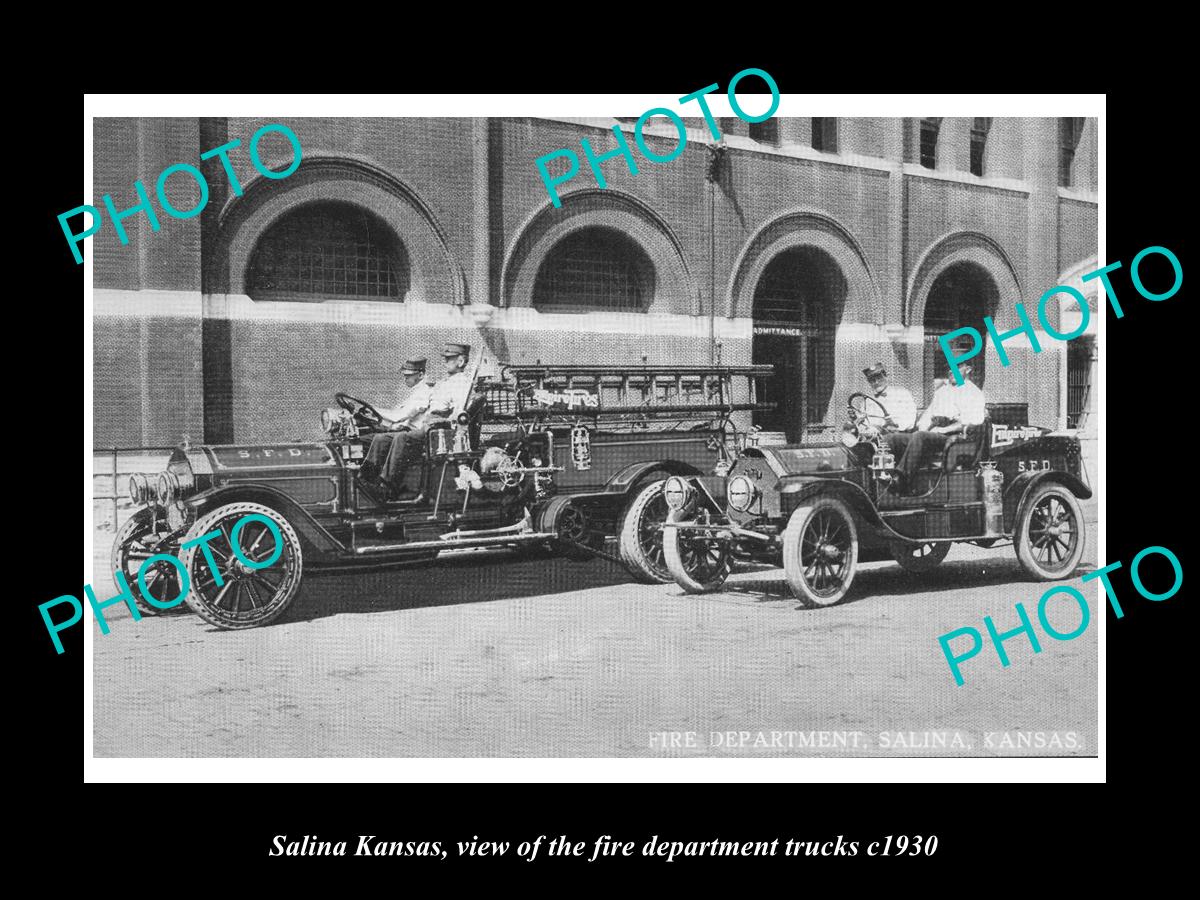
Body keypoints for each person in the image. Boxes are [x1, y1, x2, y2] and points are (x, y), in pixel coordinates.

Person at [370, 343, 474, 499]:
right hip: (429, 427)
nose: (445, 362)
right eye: (445, 359)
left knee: (402, 438)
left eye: (449, 359)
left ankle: (388, 486)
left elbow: (459, 414)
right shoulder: (446, 382)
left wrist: (437, 421)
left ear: (460, 361)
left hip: (439, 432)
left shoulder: (462, 383)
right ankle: (368, 479)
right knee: (381, 438)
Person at [895, 349, 988, 492]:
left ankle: (901, 480)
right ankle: (880, 477)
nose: (951, 370)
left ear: (968, 369)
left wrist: (943, 429)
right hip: (933, 435)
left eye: (957, 366)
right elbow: (928, 415)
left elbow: (972, 421)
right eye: (950, 367)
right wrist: (922, 428)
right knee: (891, 439)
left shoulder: (973, 393)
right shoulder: (942, 392)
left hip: (953, 438)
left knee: (920, 437)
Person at [361, 357, 434, 485]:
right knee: (370, 439)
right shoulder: (416, 392)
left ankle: (378, 482)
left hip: (414, 437)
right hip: (403, 431)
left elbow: (398, 416)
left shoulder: (425, 392)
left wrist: (373, 409)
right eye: (404, 376)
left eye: (408, 376)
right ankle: (366, 478)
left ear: (421, 375)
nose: (405, 379)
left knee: (378, 439)